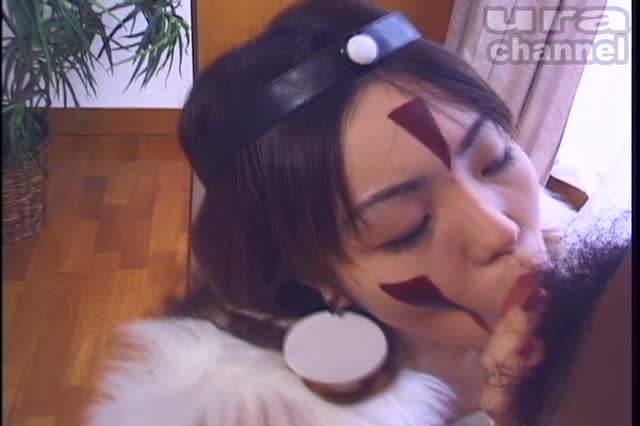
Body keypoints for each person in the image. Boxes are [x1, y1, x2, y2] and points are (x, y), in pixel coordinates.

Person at [85, 1, 629, 425]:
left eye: (494, 162)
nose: (500, 229)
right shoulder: (244, 410)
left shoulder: (609, 306)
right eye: (408, 229)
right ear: (318, 275)